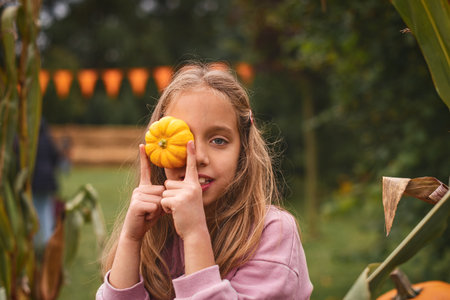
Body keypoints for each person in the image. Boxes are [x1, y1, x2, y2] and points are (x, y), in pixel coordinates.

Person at [97, 63, 313, 299]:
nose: (198, 156)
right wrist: (131, 239)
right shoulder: (154, 236)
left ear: (243, 151)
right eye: (182, 139)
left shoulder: (273, 233)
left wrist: (194, 235)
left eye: (218, 140)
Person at [32, 117, 62, 257]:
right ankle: (48, 241)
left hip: (34, 183)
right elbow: (56, 158)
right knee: (46, 211)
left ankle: (37, 242)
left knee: (35, 211)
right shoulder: (48, 140)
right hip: (48, 182)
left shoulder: (29, 143)